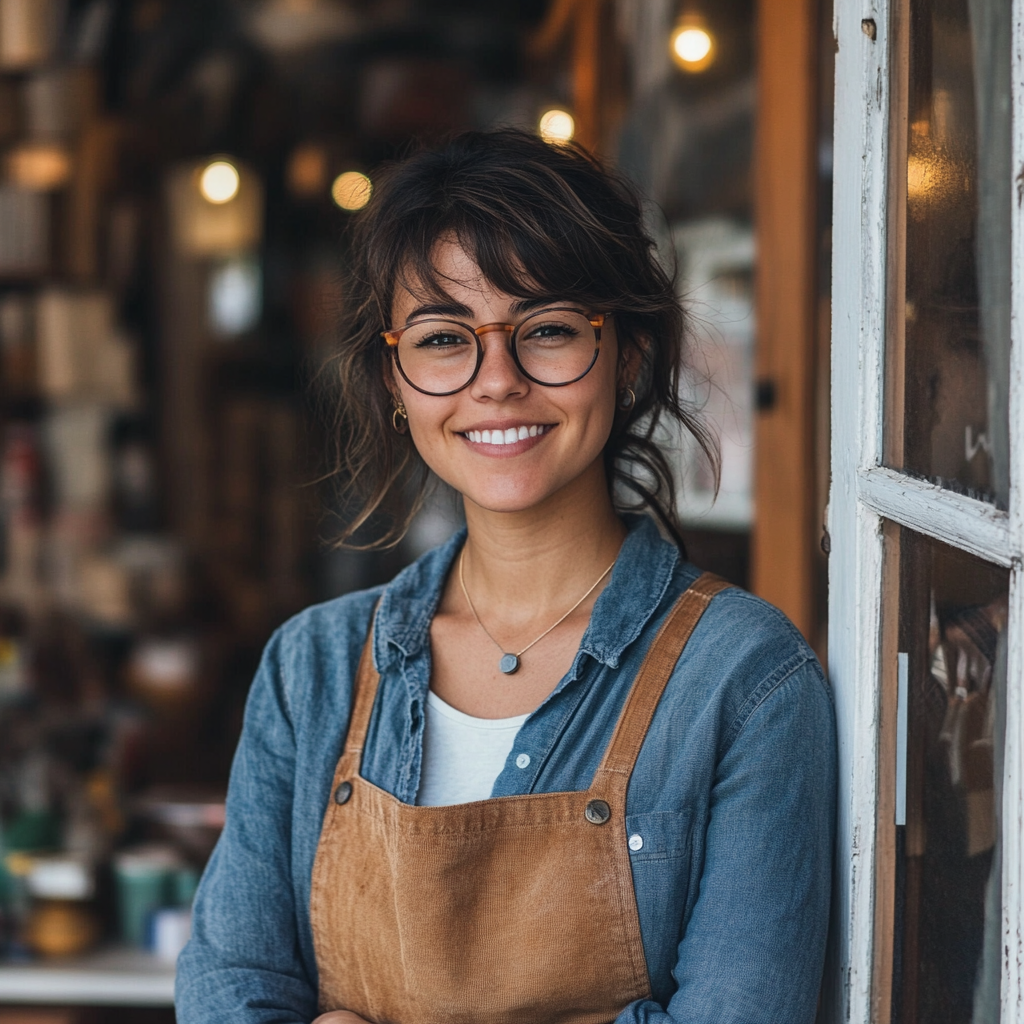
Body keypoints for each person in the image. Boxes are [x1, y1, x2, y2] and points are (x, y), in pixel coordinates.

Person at [175, 129, 836, 1024]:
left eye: (549, 331)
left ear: (629, 352)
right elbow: (227, 991)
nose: (496, 382)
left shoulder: (746, 683)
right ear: (395, 382)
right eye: (445, 339)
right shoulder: (313, 670)